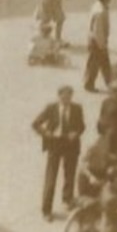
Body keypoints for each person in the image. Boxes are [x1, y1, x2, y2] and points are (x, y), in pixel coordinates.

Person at [32, 86, 86, 221]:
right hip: (54, 144)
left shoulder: (77, 109)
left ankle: (67, 199)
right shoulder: (51, 108)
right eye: (64, 97)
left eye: (69, 97)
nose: (67, 100)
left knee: (70, 174)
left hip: (71, 145)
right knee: (51, 177)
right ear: (59, 96)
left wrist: (76, 133)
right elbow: (36, 124)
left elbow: (82, 126)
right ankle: (46, 210)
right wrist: (46, 133)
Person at [84, 0, 113, 91]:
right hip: (97, 41)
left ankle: (90, 83)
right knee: (101, 64)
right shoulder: (100, 12)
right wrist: (102, 45)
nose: (110, 0)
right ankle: (109, 84)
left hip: (93, 39)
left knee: (95, 63)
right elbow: (98, 30)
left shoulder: (96, 7)